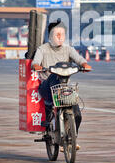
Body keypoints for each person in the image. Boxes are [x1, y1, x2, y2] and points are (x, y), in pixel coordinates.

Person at [31, 20, 92, 151]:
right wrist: (36, 66)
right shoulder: (42, 49)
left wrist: (84, 65)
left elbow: (79, 59)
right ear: (50, 36)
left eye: (62, 35)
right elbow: (35, 62)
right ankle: (49, 118)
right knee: (54, 74)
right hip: (48, 86)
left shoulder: (68, 49)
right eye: (56, 35)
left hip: (64, 90)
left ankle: (70, 139)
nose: (60, 38)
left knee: (78, 115)